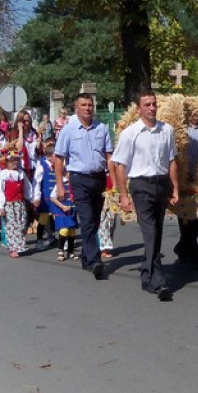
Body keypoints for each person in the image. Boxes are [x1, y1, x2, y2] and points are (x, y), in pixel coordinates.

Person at [113, 90, 179, 301]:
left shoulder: (166, 130)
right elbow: (120, 166)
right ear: (139, 109)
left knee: (157, 231)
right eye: (147, 105)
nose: (151, 108)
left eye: (154, 104)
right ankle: (158, 280)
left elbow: (171, 161)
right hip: (141, 186)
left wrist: (175, 188)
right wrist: (124, 195)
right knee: (150, 231)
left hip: (160, 184)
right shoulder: (130, 133)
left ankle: (146, 272)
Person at [53, 94, 113, 280]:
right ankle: (95, 260)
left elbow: (109, 155)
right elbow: (59, 158)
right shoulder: (68, 131)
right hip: (79, 179)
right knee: (86, 219)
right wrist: (59, 186)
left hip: (99, 178)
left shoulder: (102, 128)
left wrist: (115, 184)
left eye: (90, 105)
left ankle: (87, 258)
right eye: (83, 105)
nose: (88, 108)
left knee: (95, 220)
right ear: (76, 108)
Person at [174, 109, 198, 271]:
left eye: (197, 114)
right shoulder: (181, 130)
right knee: (185, 216)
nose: (195, 116)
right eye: (192, 114)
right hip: (184, 177)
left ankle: (182, 247)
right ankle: (196, 256)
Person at [0, 148, 35, 258]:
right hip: (9, 204)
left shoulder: (21, 173)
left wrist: (32, 199)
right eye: (12, 161)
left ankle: (20, 245)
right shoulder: (4, 175)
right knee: (11, 225)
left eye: (17, 160)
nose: (15, 163)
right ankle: (13, 248)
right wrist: (0, 206)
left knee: (22, 223)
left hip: (20, 203)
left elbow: (27, 188)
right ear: (7, 162)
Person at [32, 138, 58, 251]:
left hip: (55, 197)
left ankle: (56, 239)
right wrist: (36, 197)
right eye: (55, 156)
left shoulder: (58, 165)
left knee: (59, 217)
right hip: (45, 197)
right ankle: (39, 240)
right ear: (49, 156)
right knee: (43, 219)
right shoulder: (42, 165)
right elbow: (36, 182)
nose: (57, 159)